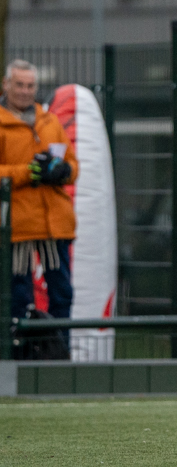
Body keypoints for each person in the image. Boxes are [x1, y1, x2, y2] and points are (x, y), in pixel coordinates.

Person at [0, 59, 77, 358]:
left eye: (30, 85)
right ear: (6, 85)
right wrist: (25, 173)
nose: (24, 90)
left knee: (62, 293)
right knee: (19, 297)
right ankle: (19, 358)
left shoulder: (50, 121)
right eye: (19, 84)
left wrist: (61, 171)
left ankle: (59, 354)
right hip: (17, 226)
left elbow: (73, 165)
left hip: (54, 224)